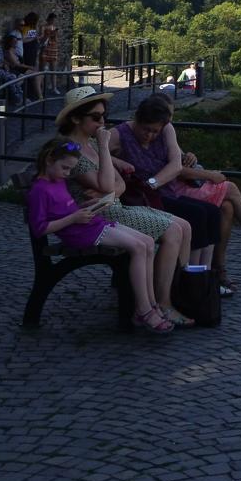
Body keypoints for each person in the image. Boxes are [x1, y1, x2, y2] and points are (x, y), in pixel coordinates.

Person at [114, 93, 241, 296]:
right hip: (144, 198)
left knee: (213, 212)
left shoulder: (165, 129)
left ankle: (203, 277)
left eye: (155, 131)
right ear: (137, 119)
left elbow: (175, 163)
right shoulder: (120, 134)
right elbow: (93, 152)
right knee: (199, 213)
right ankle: (189, 283)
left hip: (162, 191)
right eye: (147, 130)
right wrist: (116, 162)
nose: (150, 135)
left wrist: (154, 181)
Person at [55, 86, 198, 328]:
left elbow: (117, 184)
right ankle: (163, 303)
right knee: (173, 230)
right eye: (96, 117)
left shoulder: (88, 144)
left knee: (183, 225)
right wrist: (106, 161)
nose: (102, 122)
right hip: (98, 215)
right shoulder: (72, 149)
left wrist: (110, 189)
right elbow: (109, 182)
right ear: (76, 118)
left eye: (104, 116)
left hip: (112, 206)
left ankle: (173, 295)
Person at [26, 136, 170, 333]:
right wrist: (73, 218)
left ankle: (152, 303)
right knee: (137, 247)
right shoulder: (39, 190)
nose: (67, 174)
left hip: (88, 223)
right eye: (65, 168)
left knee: (146, 241)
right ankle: (143, 310)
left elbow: (63, 207)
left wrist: (87, 207)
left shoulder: (57, 179)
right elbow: (40, 228)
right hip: (78, 232)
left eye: (70, 169)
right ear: (49, 159)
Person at [37, 12, 62, 95]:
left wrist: (55, 35)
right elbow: (40, 38)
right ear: (49, 19)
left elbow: (57, 40)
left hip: (53, 48)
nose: (53, 22)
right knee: (42, 69)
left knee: (53, 70)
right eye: (52, 20)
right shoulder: (43, 27)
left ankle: (54, 87)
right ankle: (42, 87)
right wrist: (47, 35)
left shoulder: (54, 27)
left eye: (54, 20)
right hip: (45, 48)